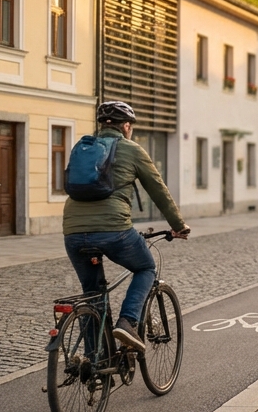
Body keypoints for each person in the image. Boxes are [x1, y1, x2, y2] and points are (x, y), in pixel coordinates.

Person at [62, 101, 190, 352]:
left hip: (73, 232)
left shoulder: (82, 147)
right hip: (114, 230)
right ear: (127, 126)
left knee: (92, 293)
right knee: (145, 268)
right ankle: (128, 322)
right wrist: (178, 225)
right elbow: (158, 190)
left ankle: (94, 361)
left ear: (101, 126)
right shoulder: (132, 149)